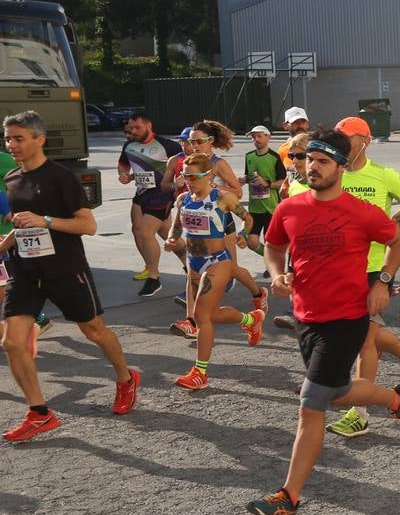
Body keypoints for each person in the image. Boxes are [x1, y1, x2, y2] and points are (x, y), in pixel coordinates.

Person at [247, 130, 400, 515]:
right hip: (306, 318)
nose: (313, 166)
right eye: (308, 159)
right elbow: (274, 247)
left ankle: (287, 498)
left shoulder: (361, 211)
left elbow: (398, 242)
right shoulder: (289, 209)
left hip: (347, 318)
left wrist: (383, 281)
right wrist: (276, 274)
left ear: (341, 167)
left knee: (310, 405)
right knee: (337, 393)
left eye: (323, 161)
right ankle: (397, 399)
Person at [1, 110, 142, 441]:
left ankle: (125, 378)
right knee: (12, 341)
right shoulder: (12, 179)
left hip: (64, 269)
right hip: (25, 269)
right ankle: (39, 413)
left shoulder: (61, 177)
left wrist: (46, 221)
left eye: (19, 138)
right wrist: (5, 243)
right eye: (8, 138)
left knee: (93, 330)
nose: (12, 145)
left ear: (39, 139)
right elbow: (23, 223)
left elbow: (87, 225)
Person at [327, 116, 400, 439]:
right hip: (339, 268)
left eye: (346, 137)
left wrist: (396, 226)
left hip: (373, 266)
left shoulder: (383, 175)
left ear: (365, 141)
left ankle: (360, 414)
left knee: (364, 340)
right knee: (367, 331)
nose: (340, 143)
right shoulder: (334, 175)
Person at [163, 153, 264, 389]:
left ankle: (200, 373)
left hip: (217, 262)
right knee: (209, 315)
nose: (188, 180)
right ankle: (250, 319)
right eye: (184, 176)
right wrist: (170, 239)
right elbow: (177, 228)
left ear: (208, 175)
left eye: (193, 176)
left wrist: (241, 235)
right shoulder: (184, 200)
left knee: (200, 318)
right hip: (194, 263)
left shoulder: (223, 198)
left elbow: (248, 220)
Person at [117, 111, 181, 297]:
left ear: (148, 126)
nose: (134, 131)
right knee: (149, 231)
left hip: (161, 194)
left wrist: (179, 185)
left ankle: (154, 278)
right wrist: (124, 175)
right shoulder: (129, 146)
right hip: (141, 193)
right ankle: (188, 265)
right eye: (131, 128)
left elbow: (185, 163)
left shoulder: (167, 145)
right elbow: (123, 164)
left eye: (137, 127)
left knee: (146, 232)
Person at [242, 126, 284, 256]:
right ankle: (271, 260)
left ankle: (272, 265)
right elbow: (249, 176)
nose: (256, 139)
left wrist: (267, 183)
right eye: (254, 137)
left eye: (259, 136)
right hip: (254, 208)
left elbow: (283, 182)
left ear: (268, 137)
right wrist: (243, 179)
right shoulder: (249, 156)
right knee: (251, 242)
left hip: (271, 208)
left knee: (270, 242)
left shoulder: (274, 157)